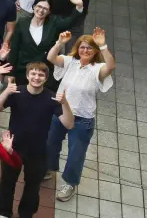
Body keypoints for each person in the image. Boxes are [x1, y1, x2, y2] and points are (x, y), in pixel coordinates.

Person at [0, 64, 64, 218]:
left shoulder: (51, 98)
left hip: (38, 150)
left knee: (33, 184)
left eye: (40, 75)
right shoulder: (17, 92)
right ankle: (3, 211)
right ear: (27, 74)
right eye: (33, 73)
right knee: (8, 181)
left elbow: (69, 123)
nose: (36, 77)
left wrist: (65, 104)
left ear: (46, 78)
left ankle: (26, 214)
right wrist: (6, 93)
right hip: (13, 147)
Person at [46, 28, 114, 201]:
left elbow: (110, 66)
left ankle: (69, 183)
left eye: (90, 48)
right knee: (51, 142)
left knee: (76, 152)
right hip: (61, 111)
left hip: (83, 118)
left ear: (95, 51)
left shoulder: (97, 68)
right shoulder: (71, 62)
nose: (85, 50)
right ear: (77, 48)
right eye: (82, 47)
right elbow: (51, 58)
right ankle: (48, 168)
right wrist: (60, 43)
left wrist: (103, 45)